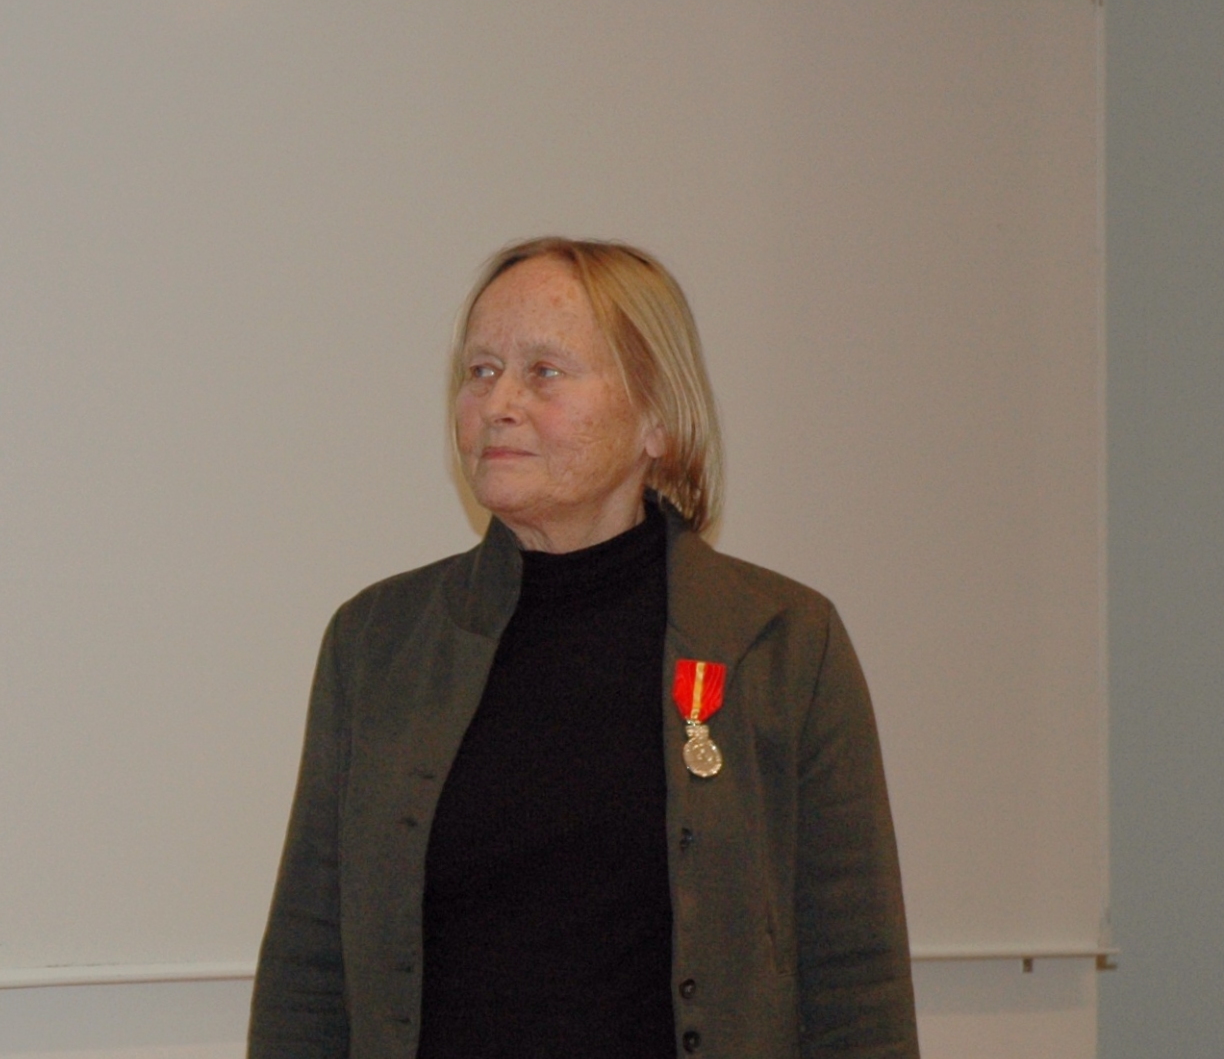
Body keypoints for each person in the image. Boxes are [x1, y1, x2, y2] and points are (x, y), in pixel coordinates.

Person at [249, 238, 918, 1059]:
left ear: (658, 419)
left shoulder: (781, 642)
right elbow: (308, 971)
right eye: (481, 370)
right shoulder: (378, 642)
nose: (499, 403)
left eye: (545, 372)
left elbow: (857, 982)